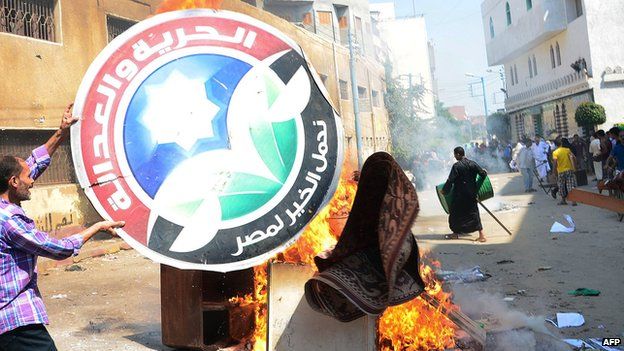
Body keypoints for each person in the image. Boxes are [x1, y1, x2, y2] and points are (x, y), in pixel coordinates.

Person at [0, 103, 125, 351]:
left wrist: (62, 131)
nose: (32, 181)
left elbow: (35, 162)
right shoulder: (10, 221)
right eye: (26, 177)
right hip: (14, 322)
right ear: (13, 182)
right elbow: (58, 248)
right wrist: (96, 227)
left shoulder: (6, 203)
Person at [441, 146, 488, 242]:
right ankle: (482, 235)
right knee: (474, 213)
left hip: (459, 194)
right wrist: (484, 172)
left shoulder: (457, 166)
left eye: (455, 154)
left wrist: (445, 191)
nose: (454, 156)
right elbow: (482, 174)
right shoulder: (473, 164)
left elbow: (450, 180)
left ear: (458, 154)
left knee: (455, 213)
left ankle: (455, 233)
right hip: (471, 193)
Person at [552, 138, 578, 206]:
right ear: (561, 143)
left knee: (561, 186)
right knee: (571, 185)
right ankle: (573, 201)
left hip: (561, 171)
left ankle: (563, 200)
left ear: (555, 145)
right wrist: (575, 167)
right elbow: (574, 158)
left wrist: (554, 172)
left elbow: (555, 163)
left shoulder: (555, 152)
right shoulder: (567, 150)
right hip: (569, 170)